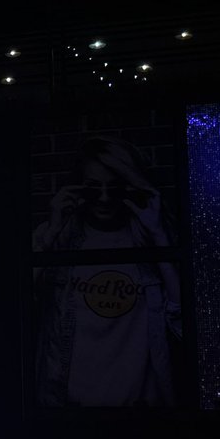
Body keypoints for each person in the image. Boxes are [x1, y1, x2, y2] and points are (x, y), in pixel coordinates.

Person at [33, 136, 181, 408]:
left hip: (142, 409)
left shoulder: (148, 239)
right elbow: (14, 314)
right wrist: (51, 234)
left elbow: (183, 321)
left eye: (114, 189)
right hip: (68, 408)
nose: (103, 199)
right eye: (92, 189)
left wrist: (160, 236)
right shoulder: (56, 238)